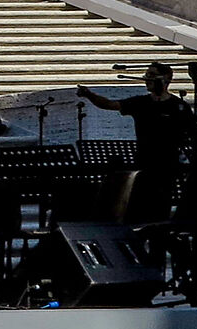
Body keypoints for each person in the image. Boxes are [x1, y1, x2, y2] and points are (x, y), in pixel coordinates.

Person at [80, 64, 191, 223]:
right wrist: (89, 95)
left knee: (160, 215)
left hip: (167, 170)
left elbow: (189, 134)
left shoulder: (178, 106)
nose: (147, 78)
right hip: (143, 166)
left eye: (151, 75)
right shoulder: (141, 103)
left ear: (166, 79)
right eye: (146, 75)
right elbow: (111, 105)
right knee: (138, 212)